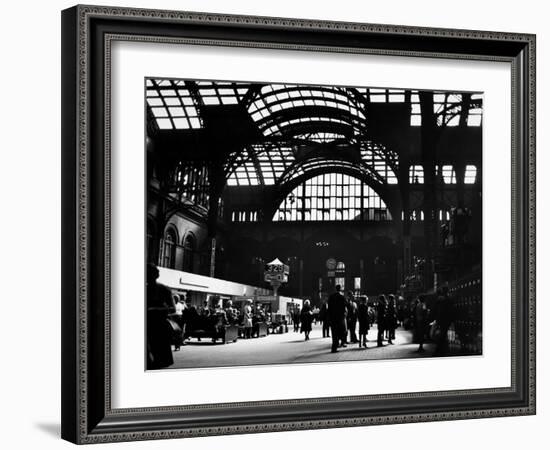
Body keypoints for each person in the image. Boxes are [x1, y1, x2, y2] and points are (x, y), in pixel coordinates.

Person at [146, 263, 175, 370]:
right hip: (147, 325)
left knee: (159, 361)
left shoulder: (164, 289)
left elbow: (172, 309)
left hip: (158, 326)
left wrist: (154, 309)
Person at [327, 285, 347, 353]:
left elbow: (329, 308)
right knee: (340, 331)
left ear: (335, 289)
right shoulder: (342, 297)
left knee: (334, 333)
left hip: (333, 318)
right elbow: (344, 307)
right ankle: (341, 343)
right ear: (340, 289)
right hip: (340, 318)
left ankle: (334, 347)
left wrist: (330, 317)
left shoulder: (331, 297)